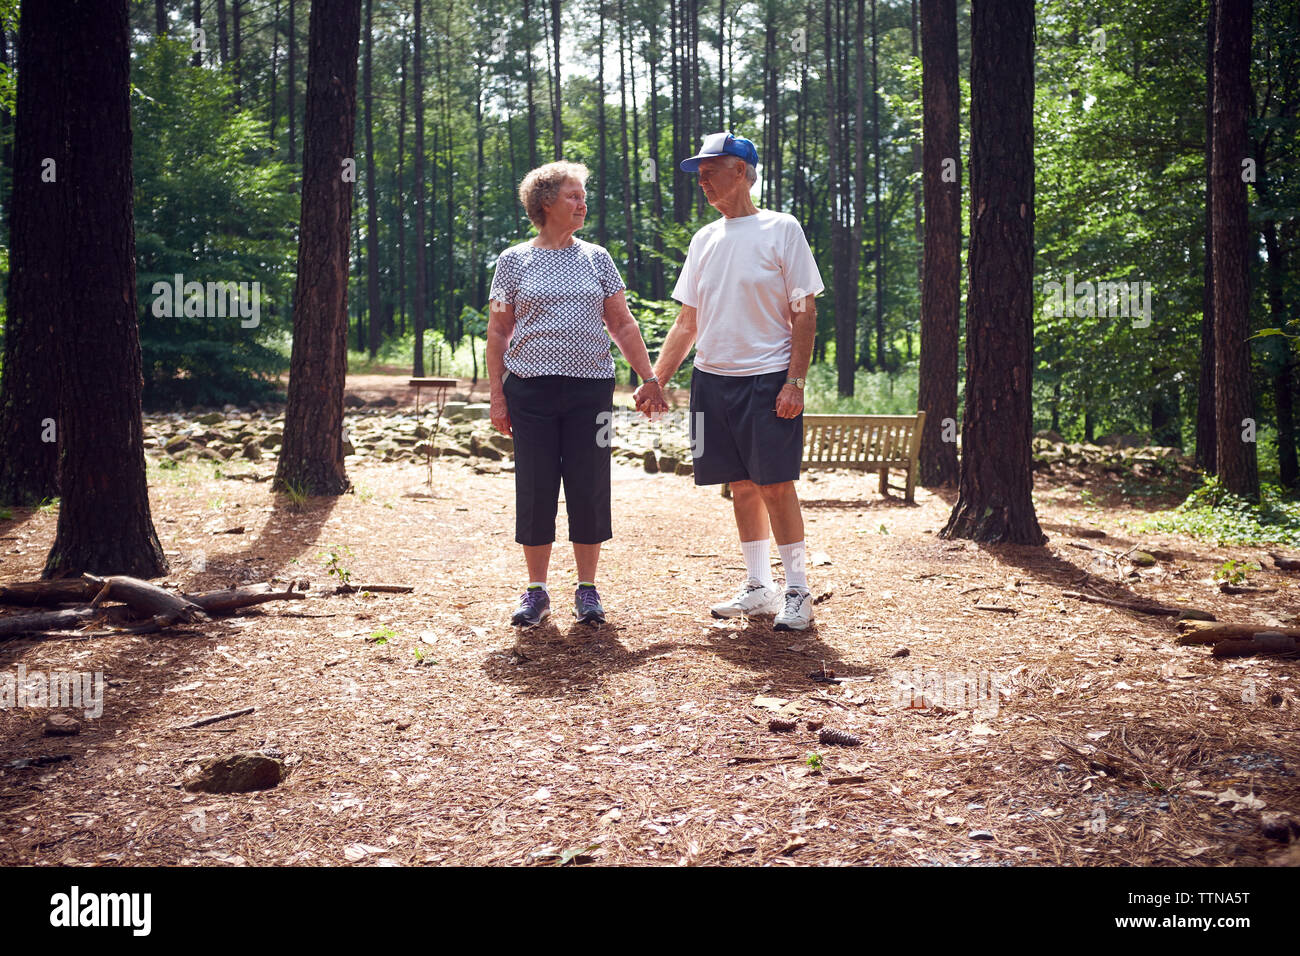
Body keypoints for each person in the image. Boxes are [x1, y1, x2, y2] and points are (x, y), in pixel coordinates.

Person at [634, 133, 823, 631]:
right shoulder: (705, 239)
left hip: (768, 379)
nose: (701, 180)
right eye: (698, 172)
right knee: (740, 487)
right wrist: (655, 379)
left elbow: (804, 313)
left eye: (710, 169)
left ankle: (799, 591)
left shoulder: (782, 229)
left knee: (776, 486)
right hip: (712, 380)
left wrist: (795, 382)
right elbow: (686, 322)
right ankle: (759, 587)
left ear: (740, 170)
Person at [488, 161, 668, 627]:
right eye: (572, 195)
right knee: (536, 487)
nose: (582, 203)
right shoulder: (513, 261)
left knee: (589, 487)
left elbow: (622, 323)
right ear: (545, 202)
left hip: (591, 390)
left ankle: (587, 589)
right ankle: (536, 591)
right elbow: (498, 332)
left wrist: (648, 377)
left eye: (583, 195)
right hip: (529, 390)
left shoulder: (597, 258)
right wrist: (498, 396)